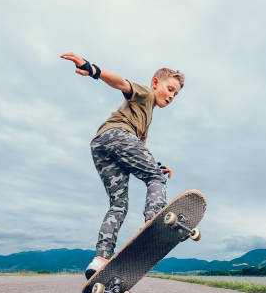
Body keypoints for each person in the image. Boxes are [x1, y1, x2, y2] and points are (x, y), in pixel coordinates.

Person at [60, 52, 185, 279]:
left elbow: (139, 149)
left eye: (175, 94)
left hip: (100, 145)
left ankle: (100, 260)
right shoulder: (145, 95)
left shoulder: (146, 119)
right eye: (169, 89)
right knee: (156, 179)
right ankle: (153, 222)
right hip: (118, 135)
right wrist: (93, 69)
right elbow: (121, 83)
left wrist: (155, 164)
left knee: (118, 204)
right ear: (156, 83)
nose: (171, 96)